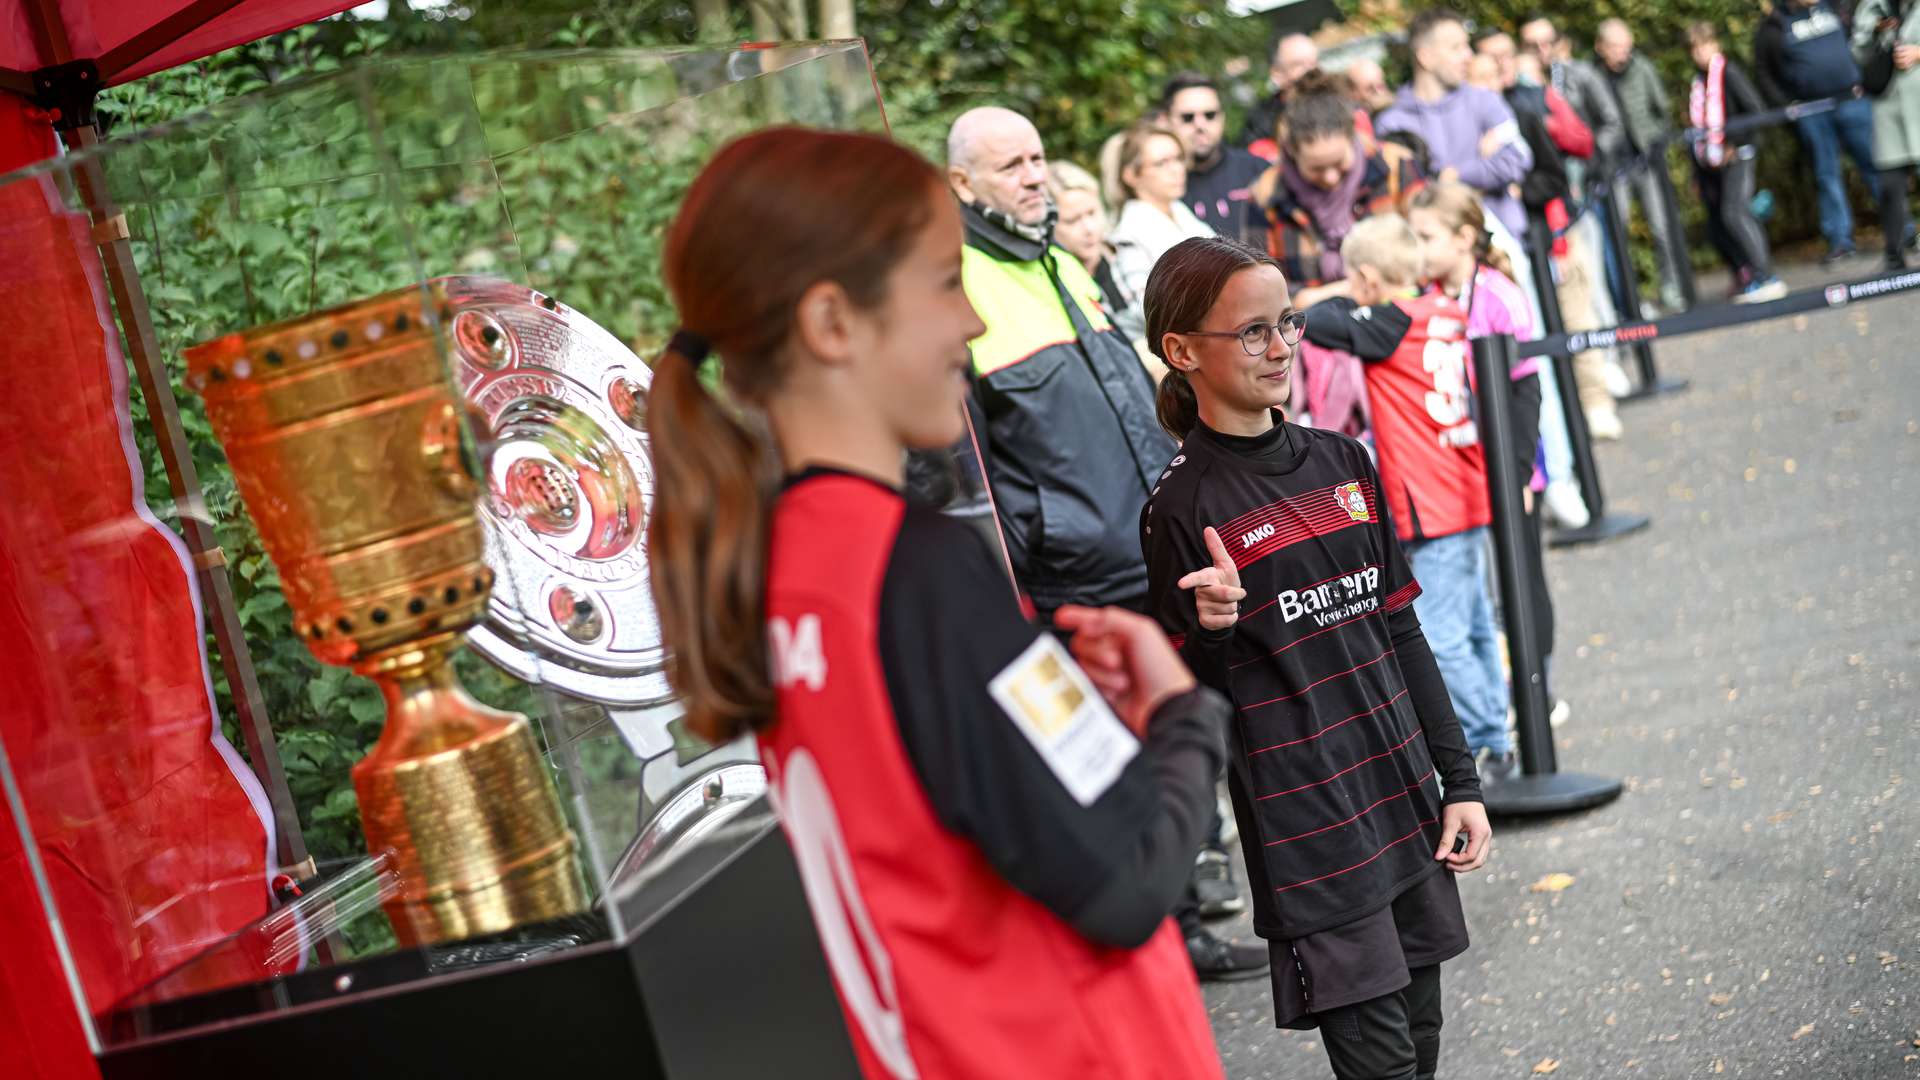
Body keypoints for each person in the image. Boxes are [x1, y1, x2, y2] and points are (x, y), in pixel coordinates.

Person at [646, 125, 1232, 1080]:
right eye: (942, 283)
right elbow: (1126, 878)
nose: (969, 322)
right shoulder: (915, 571)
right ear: (834, 324)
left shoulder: (770, 565)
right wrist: (1180, 712)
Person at [1140, 234, 1491, 1080]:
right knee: (1383, 1064)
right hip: (1310, 831)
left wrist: (1461, 782)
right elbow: (1192, 697)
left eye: (1286, 324)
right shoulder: (1179, 508)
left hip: (1402, 794)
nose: (1279, 348)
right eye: (1251, 332)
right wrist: (1213, 630)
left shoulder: (1343, 460)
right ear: (1182, 352)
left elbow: (1401, 631)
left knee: (1424, 1036)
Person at [948, 106, 1268, 982]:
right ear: (962, 184)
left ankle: (1190, 918)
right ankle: (1165, 933)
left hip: (1148, 551)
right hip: (1073, 574)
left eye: (1038, 157)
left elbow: (1135, 405)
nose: (1032, 174)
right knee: (1114, 751)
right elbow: (972, 461)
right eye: (1008, 164)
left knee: (1177, 730)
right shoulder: (965, 285)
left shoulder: (1059, 262)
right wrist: (1018, 576)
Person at [1301, 214, 1518, 782]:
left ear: (1369, 280)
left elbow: (1314, 322)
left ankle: (1488, 744)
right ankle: (1498, 729)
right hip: (1465, 487)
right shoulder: (1440, 307)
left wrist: (1340, 292)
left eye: (1355, 280)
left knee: (1442, 636)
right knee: (1472, 623)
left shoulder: (1387, 321)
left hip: (1433, 499)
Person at [1407, 181, 1561, 724]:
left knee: (1522, 576)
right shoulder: (1423, 295)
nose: (1417, 248)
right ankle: (1497, 697)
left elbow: (1527, 391)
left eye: (1425, 237)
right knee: (1478, 588)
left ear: (1464, 237)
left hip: (1508, 464)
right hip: (1456, 470)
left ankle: (1539, 692)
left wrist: (1519, 473)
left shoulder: (1497, 295)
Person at [1250, 71, 1426, 298]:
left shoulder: (1396, 167)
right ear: (1292, 152)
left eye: (1339, 163)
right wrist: (1309, 299)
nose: (1330, 177)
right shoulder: (1267, 194)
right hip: (1313, 326)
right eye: (1316, 168)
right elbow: (1263, 288)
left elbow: (1430, 250)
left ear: (1353, 138)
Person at [1377, 9, 1535, 245]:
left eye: (1467, 46)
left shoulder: (1485, 100)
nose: (1468, 56)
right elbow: (1407, 199)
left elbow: (1518, 159)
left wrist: (1458, 175)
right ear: (1425, 57)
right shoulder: (1392, 123)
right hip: (1438, 254)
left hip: (1504, 245)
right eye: (1456, 48)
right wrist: (1480, 173)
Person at [1755, 0, 1883, 264]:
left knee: (1875, 164)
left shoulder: (1834, 7)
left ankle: (1901, 229)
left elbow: (1859, 42)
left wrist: (1865, 80)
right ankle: (1840, 241)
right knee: (1827, 175)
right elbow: (1765, 73)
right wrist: (1786, 106)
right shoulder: (1774, 25)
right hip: (1812, 111)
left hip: (1851, 100)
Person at [1688, 24, 1792, 303]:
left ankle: (1765, 274)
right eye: (1695, 48)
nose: (1700, 53)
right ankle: (1749, 272)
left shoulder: (1728, 73)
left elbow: (1754, 109)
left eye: (1704, 45)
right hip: (1714, 162)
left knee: (1736, 213)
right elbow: (1698, 128)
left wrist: (1732, 143)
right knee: (1723, 219)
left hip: (1739, 154)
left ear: (1715, 45)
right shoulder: (1699, 81)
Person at [1597, 18, 1693, 311]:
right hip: (1614, 166)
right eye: (1615, 47)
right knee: (1619, 232)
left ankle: (1671, 287)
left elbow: (1661, 110)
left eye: (1626, 46)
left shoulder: (1642, 68)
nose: (1622, 53)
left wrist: (1653, 141)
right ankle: (1632, 300)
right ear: (1601, 47)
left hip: (1646, 161)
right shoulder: (1593, 76)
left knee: (1661, 226)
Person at [1108, 123, 1216, 352]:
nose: (1176, 169)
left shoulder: (1183, 214)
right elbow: (1149, 311)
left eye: (1178, 159)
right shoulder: (1128, 235)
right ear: (1131, 175)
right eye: (1161, 163)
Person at [1165, 72, 1272, 243]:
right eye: (1187, 118)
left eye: (1210, 115)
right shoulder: (1163, 187)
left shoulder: (1258, 170)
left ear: (1222, 117)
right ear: (1167, 121)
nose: (1200, 125)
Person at [1854, 0, 1920, 270]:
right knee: (1890, 184)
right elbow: (1857, 51)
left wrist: (1918, 53)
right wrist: (1876, 32)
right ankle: (1894, 255)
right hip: (1888, 105)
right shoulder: (1873, 6)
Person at [1046, 160, 1134, 328]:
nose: (1089, 228)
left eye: (1092, 213)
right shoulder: (1055, 283)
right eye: (1072, 221)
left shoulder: (1128, 252)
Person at [1243, 32, 1321, 154]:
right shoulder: (1261, 121)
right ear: (1277, 73)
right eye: (1298, 64)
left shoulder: (1340, 103)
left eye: (1314, 63)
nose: (1311, 71)